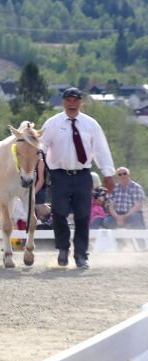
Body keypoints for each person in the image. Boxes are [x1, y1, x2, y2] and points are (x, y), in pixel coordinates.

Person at [40, 87, 115, 269]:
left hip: (83, 175)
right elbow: (41, 145)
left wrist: (108, 174)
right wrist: (38, 163)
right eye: (68, 100)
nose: (72, 103)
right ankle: (63, 250)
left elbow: (101, 150)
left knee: (83, 215)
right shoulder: (52, 123)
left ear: (81, 102)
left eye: (75, 100)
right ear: (63, 102)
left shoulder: (91, 124)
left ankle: (81, 255)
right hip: (59, 175)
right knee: (58, 213)